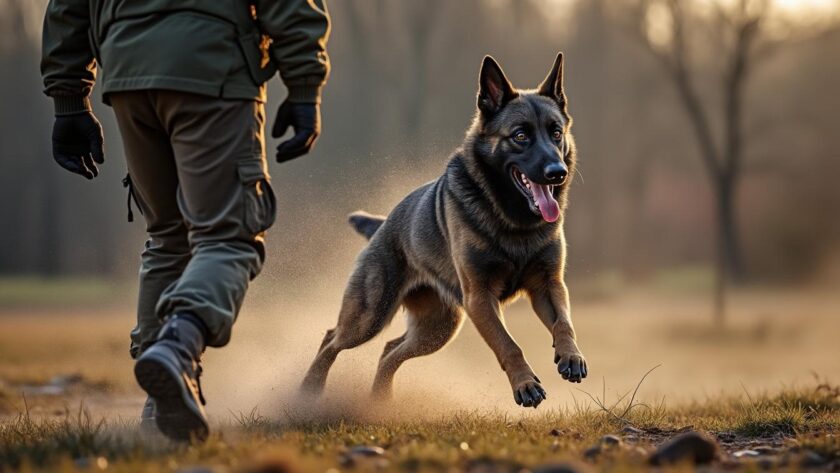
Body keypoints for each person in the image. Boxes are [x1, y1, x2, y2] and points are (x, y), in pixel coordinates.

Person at [41, 0, 330, 442]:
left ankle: (160, 410)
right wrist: (305, 82)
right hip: (211, 65)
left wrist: (69, 99)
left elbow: (68, 5)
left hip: (127, 69)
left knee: (168, 236)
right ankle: (178, 347)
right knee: (230, 236)